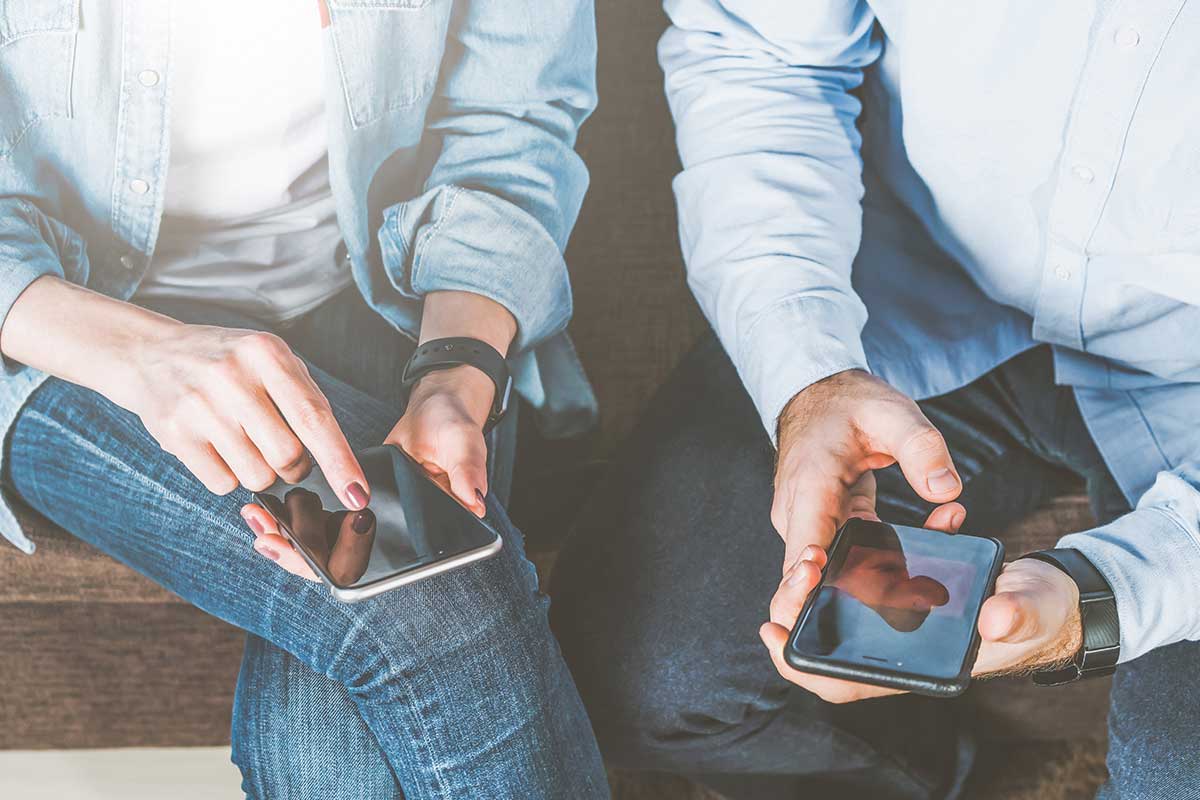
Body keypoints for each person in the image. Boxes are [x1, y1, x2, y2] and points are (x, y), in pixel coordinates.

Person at [551, 1, 1200, 798]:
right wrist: (808, 376)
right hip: (899, 297)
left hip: (1186, 376)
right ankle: (931, 772)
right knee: (633, 678)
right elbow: (761, 53)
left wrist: (1102, 599)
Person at [0, 1, 607, 797]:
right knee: (440, 601)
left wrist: (453, 374)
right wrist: (142, 354)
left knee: (334, 769)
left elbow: (512, 121)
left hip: (379, 287)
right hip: (57, 326)